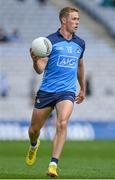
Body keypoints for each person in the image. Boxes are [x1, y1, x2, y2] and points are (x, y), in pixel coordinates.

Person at [25, 6, 86, 177]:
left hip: (66, 91)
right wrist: (35, 61)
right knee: (33, 130)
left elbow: (80, 65)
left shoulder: (80, 43)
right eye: (74, 19)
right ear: (64, 20)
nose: (77, 23)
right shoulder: (49, 42)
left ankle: (53, 164)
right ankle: (33, 145)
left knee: (62, 123)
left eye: (78, 19)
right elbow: (40, 69)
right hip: (47, 91)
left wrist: (82, 87)